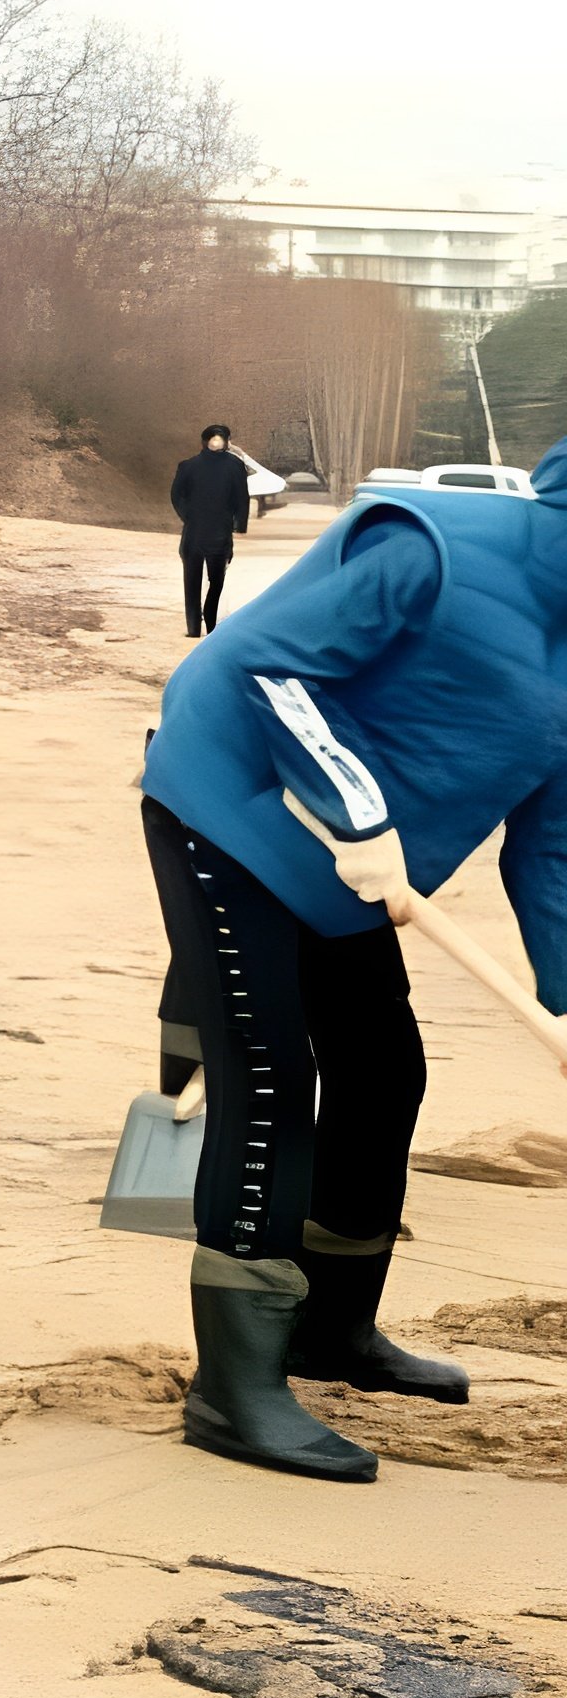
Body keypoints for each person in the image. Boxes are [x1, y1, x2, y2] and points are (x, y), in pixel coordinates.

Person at [139, 438, 567, 1483]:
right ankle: (232, 1387)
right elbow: (264, 667)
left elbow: (552, 846)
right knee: (275, 1079)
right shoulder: (432, 548)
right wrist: (360, 808)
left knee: (386, 1069)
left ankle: (334, 1332)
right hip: (228, 805)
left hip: (354, 871)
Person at [171, 424, 250, 637]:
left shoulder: (235, 466)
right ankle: (193, 627)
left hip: (220, 532)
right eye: (213, 439)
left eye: (220, 439)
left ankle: (211, 621)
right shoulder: (188, 466)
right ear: (204, 441)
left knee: (217, 580)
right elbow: (177, 496)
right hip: (195, 533)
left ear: (226, 441)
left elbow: (242, 497)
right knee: (192, 582)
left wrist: (239, 523)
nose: (216, 443)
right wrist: (189, 516)